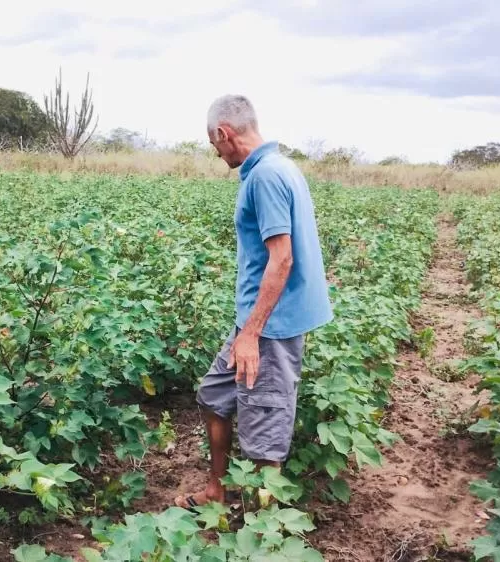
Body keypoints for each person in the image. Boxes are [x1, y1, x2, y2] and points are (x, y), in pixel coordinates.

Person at [173, 94, 333, 509]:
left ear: (224, 133)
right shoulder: (279, 167)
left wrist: (252, 333)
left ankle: (264, 532)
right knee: (214, 395)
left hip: (269, 328)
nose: (217, 153)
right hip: (257, 322)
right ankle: (217, 490)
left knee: (264, 432)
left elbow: (281, 259)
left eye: (214, 145)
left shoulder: (265, 177)